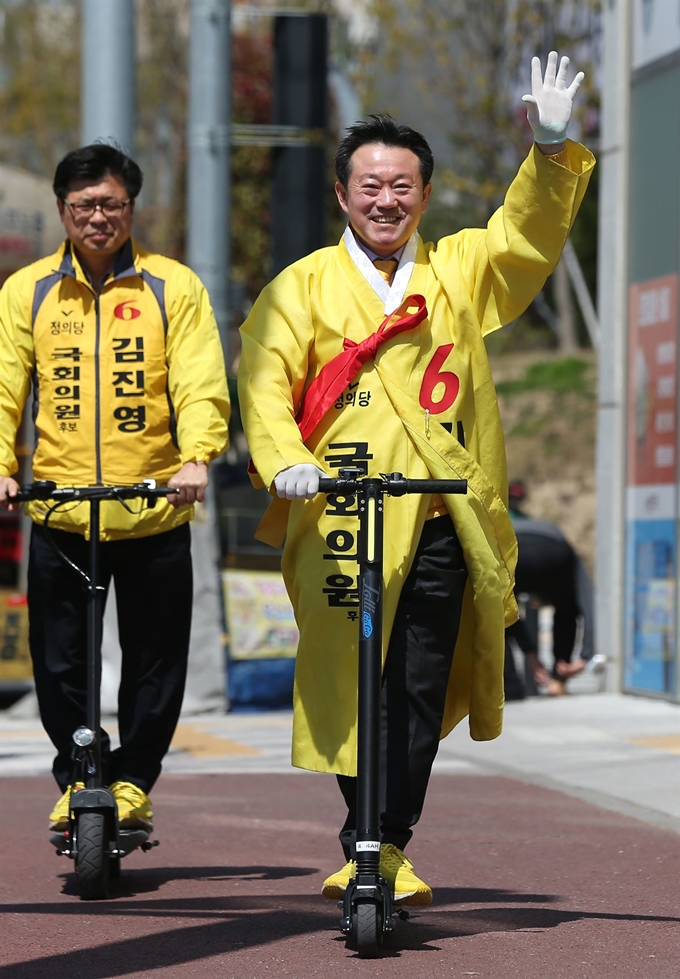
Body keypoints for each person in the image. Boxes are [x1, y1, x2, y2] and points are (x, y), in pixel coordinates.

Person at [238, 52, 594, 906]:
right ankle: (367, 828)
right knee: (346, 678)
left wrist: (548, 152)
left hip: (436, 520)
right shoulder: (300, 289)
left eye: (402, 186)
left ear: (425, 196)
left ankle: (382, 840)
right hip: (337, 515)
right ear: (341, 194)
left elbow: (525, 238)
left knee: (418, 683)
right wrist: (285, 458)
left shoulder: (458, 273)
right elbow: (262, 381)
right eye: (369, 185)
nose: (386, 200)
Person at [0, 143, 231, 833]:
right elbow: (6, 384)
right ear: (63, 210)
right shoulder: (28, 291)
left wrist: (196, 458)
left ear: (131, 206)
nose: (97, 217)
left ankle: (133, 780)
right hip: (64, 514)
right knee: (59, 664)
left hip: (155, 512)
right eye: (82, 206)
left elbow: (198, 382)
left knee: (155, 667)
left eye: (110, 204)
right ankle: (76, 778)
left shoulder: (173, 287)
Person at [506, 480, 595, 696]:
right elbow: (587, 600)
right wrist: (587, 655)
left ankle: (510, 688)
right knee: (566, 610)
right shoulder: (542, 526)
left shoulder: (512, 521)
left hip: (514, 546)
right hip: (555, 548)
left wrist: (531, 657)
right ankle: (560, 673)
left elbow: (508, 612)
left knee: (503, 611)